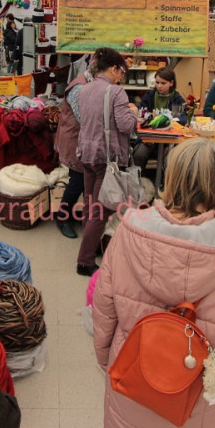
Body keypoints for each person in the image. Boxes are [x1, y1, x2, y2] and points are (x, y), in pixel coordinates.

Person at [92, 137, 215, 428]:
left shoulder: (127, 232)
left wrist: (108, 361)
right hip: (199, 399)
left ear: (171, 177)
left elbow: (104, 311)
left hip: (131, 380)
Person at [75, 47, 138, 276]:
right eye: (121, 71)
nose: (121, 76)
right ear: (113, 69)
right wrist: (134, 112)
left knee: (90, 204)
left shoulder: (83, 90)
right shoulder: (116, 92)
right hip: (107, 157)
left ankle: (88, 247)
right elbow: (125, 125)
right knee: (100, 212)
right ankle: (85, 261)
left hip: (87, 153)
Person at [54, 51, 99, 239]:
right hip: (75, 139)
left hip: (85, 139)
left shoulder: (93, 83)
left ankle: (80, 215)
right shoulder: (78, 87)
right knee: (78, 180)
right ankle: (62, 217)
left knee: (86, 180)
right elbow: (83, 116)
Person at [132, 67, 186, 170]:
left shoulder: (178, 99)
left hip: (169, 141)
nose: (159, 86)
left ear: (171, 83)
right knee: (139, 154)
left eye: (163, 83)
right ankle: (137, 178)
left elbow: (183, 118)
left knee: (172, 159)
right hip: (149, 138)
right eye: (157, 82)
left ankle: (165, 179)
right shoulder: (149, 96)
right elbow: (142, 115)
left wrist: (169, 120)